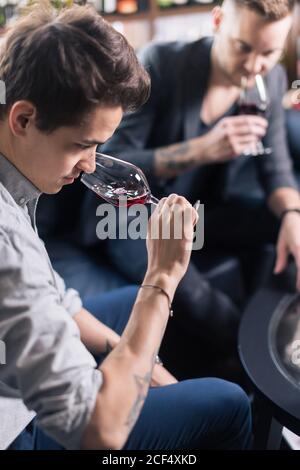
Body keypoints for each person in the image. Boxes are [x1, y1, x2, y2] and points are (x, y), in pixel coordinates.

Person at [0, 2, 251, 450]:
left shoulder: (15, 175)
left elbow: (51, 293)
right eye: (82, 144)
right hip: (21, 430)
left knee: (126, 320)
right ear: (23, 118)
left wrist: (130, 355)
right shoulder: (7, 245)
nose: (90, 165)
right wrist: (161, 278)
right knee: (227, 402)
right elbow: (101, 432)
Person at [80, 0, 300, 377]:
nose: (253, 66)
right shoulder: (162, 65)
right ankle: (258, 365)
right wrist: (202, 149)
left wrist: (293, 215)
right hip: (132, 217)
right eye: (243, 47)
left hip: (204, 212)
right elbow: (110, 160)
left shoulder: (269, 80)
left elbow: (276, 170)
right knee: (196, 294)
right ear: (217, 22)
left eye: (268, 53)